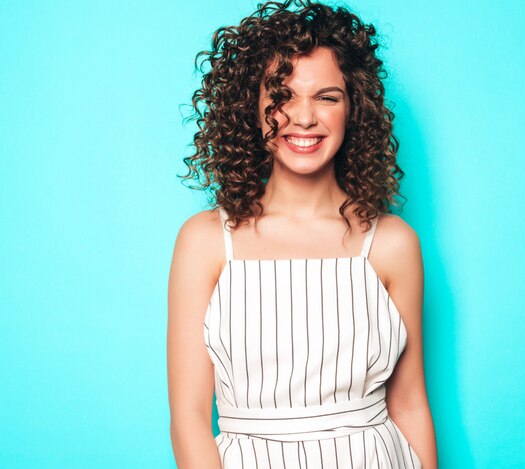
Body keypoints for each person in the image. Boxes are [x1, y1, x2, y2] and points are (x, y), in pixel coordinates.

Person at [167, 0, 438, 467]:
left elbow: (410, 404)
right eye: (282, 95)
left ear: (354, 109)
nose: (304, 117)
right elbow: (189, 416)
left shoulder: (394, 244)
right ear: (250, 109)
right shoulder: (206, 241)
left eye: (327, 97)